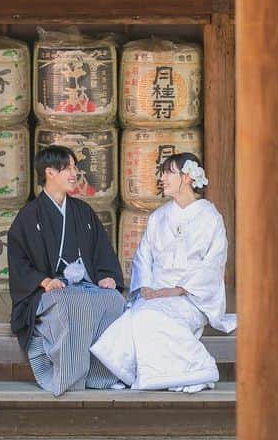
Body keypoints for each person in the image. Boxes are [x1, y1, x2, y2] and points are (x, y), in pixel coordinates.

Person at [89, 152, 236, 393]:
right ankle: (139, 374)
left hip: (190, 298)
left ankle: (198, 369)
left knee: (145, 319)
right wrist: (146, 286)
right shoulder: (159, 217)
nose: (163, 178)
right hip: (156, 294)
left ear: (187, 177)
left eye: (169, 172)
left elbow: (213, 264)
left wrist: (178, 289)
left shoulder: (210, 217)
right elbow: (143, 257)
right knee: (133, 319)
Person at [8, 145, 126, 395]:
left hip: (85, 284)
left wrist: (108, 276)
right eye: (68, 168)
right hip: (48, 291)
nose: (74, 173)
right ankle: (68, 378)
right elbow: (19, 260)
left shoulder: (82, 211)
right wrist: (43, 280)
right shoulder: (29, 216)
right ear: (49, 172)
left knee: (114, 301)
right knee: (71, 305)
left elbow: (101, 250)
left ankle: (102, 376)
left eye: (75, 167)